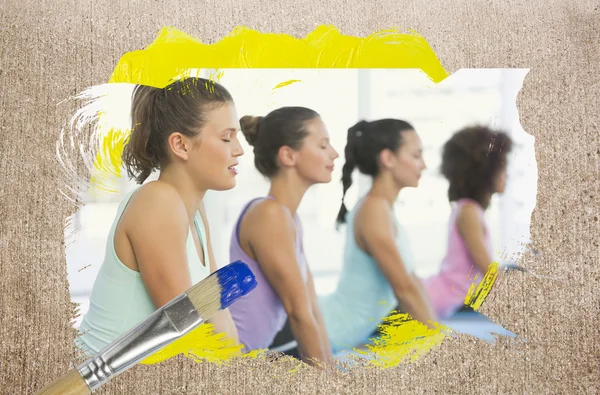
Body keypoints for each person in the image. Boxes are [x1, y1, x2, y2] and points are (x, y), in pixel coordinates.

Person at [76, 77, 243, 354]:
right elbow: (190, 338)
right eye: (227, 137)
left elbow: (218, 315)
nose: (239, 150)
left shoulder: (196, 215)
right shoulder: (157, 201)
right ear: (180, 145)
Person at [228, 106, 338, 365]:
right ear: (288, 155)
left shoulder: (289, 218)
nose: (334, 153)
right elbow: (299, 314)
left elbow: (312, 310)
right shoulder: (269, 214)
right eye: (323, 145)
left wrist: (332, 374)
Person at [318, 119, 438, 354]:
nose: (423, 165)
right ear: (388, 159)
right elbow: (403, 289)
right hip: (327, 330)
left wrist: (438, 335)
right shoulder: (373, 210)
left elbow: (412, 282)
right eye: (416, 155)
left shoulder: (382, 209)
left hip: (342, 332)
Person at [421, 125, 513, 319]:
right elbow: (487, 270)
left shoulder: (470, 210)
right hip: (449, 299)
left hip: (453, 295)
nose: (507, 174)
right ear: (484, 173)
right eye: (502, 167)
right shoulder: (468, 212)